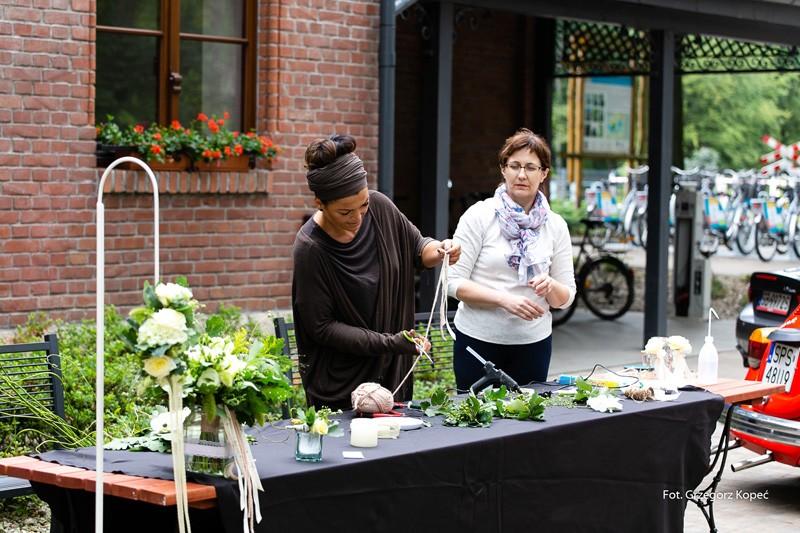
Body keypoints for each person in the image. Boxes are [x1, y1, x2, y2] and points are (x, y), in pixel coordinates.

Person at [292, 134, 461, 410]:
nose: (358, 218)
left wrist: (441, 249)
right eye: (346, 212)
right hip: (341, 386)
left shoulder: (380, 207)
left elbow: (418, 248)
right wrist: (390, 342)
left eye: (363, 205)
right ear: (320, 204)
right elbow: (321, 328)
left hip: (392, 371)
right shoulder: (310, 248)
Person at [447, 128, 576, 391]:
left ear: (544, 173)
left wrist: (550, 286)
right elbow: (452, 282)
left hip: (533, 344)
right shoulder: (479, 216)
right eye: (514, 165)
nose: (521, 174)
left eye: (530, 167)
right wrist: (504, 300)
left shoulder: (555, 225)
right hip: (478, 341)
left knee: (527, 424)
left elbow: (565, 298)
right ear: (503, 169)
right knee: (477, 425)